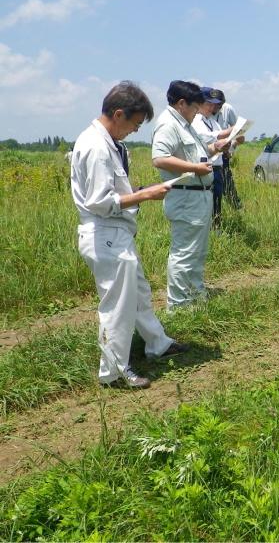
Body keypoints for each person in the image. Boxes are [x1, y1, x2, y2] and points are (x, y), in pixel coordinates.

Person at [71, 81, 188, 389]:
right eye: (135, 124)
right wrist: (146, 195)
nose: (135, 131)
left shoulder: (107, 143)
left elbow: (109, 193)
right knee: (118, 308)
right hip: (106, 236)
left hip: (116, 234)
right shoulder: (96, 147)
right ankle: (113, 373)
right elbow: (99, 201)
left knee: (138, 293)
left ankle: (156, 343)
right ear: (118, 114)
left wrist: (136, 194)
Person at [152, 80, 230, 310]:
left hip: (199, 196)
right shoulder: (168, 124)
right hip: (186, 197)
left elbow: (200, 152)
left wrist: (216, 148)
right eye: (196, 107)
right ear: (182, 103)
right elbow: (159, 158)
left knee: (198, 251)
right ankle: (178, 305)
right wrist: (194, 169)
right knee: (184, 253)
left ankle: (195, 295)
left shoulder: (184, 124)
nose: (198, 112)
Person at [192, 87, 236, 228]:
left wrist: (231, 143)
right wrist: (230, 131)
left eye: (214, 105)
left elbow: (219, 136)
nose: (212, 108)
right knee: (205, 201)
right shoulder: (196, 120)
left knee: (217, 200)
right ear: (199, 103)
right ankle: (206, 229)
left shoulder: (212, 121)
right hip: (205, 167)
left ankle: (216, 229)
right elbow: (208, 137)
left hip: (218, 166)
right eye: (209, 104)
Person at [210, 89, 243, 210]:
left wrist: (231, 148)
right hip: (207, 154)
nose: (215, 107)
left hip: (223, 153)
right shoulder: (202, 112)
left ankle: (236, 209)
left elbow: (239, 135)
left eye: (219, 104)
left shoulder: (227, 109)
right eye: (213, 104)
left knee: (227, 184)